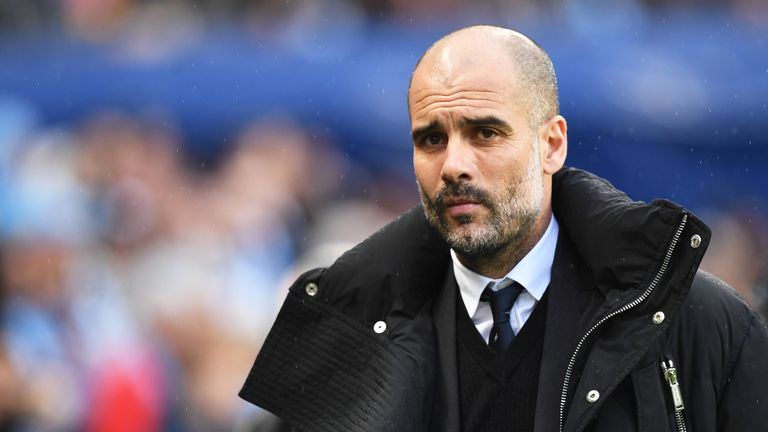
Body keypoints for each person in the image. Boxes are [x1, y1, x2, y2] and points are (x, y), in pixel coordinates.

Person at [239, 25, 768, 432]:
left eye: (485, 132)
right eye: (430, 139)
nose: (453, 165)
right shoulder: (342, 326)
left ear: (552, 145)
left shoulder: (698, 322)